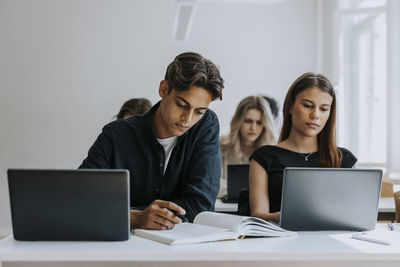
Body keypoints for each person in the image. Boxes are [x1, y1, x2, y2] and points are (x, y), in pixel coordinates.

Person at [79, 52, 224, 229]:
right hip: (122, 247)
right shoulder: (115, 135)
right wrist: (134, 217)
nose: (188, 119)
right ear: (163, 89)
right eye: (181, 104)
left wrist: (123, 213)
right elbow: (81, 198)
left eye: (199, 111)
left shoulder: (205, 125)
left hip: (181, 249)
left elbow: (201, 207)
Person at [248, 72, 357, 223]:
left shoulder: (344, 160)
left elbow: (356, 214)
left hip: (332, 243)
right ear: (290, 107)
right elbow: (259, 215)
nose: (315, 115)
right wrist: (288, 216)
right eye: (307, 105)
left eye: (324, 109)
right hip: (279, 241)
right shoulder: (263, 157)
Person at [218, 96, 277, 198]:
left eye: (259, 122)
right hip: (224, 209)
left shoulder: (273, 151)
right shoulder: (221, 146)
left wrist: (234, 188)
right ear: (239, 121)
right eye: (248, 121)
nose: (253, 128)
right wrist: (256, 189)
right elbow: (211, 184)